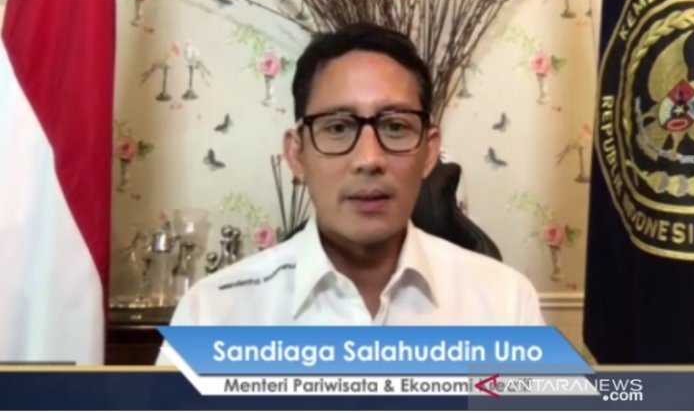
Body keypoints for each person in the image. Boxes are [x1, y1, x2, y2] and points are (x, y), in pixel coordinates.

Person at [161, 23, 543, 333]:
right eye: (338, 127)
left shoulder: (505, 304)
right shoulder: (213, 313)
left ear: (429, 152)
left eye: (395, 126)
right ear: (297, 154)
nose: (369, 159)